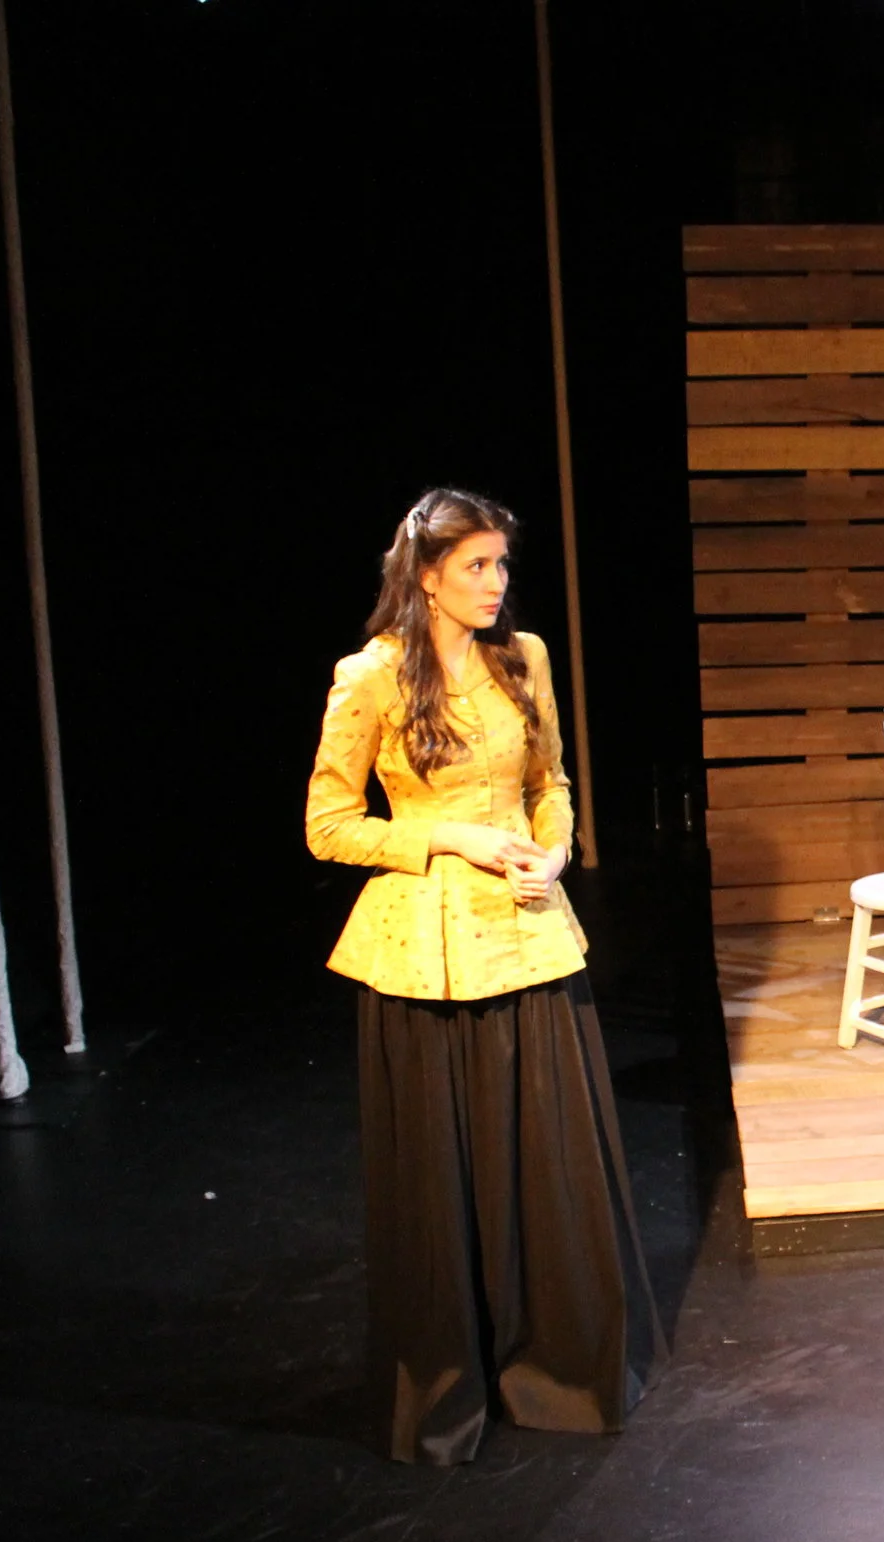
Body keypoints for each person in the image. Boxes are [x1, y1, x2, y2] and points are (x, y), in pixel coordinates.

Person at [306, 486, 660, 1465]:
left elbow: (551, 782)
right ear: (427, 575)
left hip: (530, 936)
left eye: (502, 563)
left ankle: (557, 1368)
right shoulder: (371, 676)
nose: (497, 582)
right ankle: (447, 1386)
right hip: (425, 955)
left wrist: (556, 848)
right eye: (476, 565)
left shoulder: (523, 657)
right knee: (441, 1184)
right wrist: (450, 836)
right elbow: (328, 826)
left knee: (547, 1169)